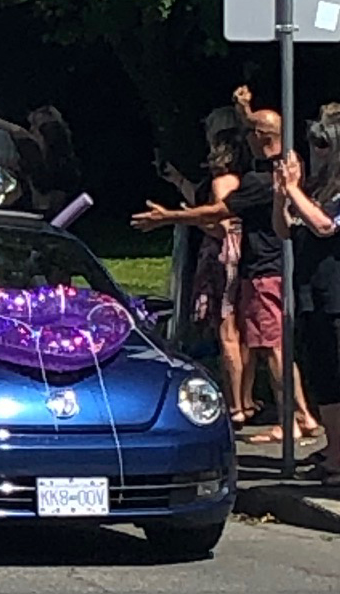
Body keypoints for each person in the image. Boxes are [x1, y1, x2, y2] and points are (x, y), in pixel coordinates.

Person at [131, 100, 325, 443]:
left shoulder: (260, 180)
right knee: (274, 347)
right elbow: (265, 129)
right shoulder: (289, 165)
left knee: (274, 349)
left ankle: (295, 418)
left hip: (265, 270)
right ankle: (302, 416)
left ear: (261, 137)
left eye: (249, 132)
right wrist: (244, 108)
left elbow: (219, 211)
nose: (243, 138)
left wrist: (168, 217)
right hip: (271, 268)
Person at [162, 112, 258, 426]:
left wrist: (193, 218)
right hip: (246, 257)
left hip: (220, 257)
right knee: (245, 334)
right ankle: (247, 399)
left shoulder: (220, 182)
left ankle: (234, 406)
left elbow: (221, 224)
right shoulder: (249, 181)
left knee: (227, 331)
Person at [277, 102, 340, 477]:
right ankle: (335, 450)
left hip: (335, 293)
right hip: (309, 291)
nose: (317, 152)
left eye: (323, 144)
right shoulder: (316, 186)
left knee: (337, 370)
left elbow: (324, 225)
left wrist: (294, 190)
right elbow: (285, 227)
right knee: (324, 376)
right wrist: (281, 194)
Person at [0, 103, 81, 212]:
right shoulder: (33, 156)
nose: (32, 130)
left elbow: (19, 132)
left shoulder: (59, 161)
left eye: (36, 125)